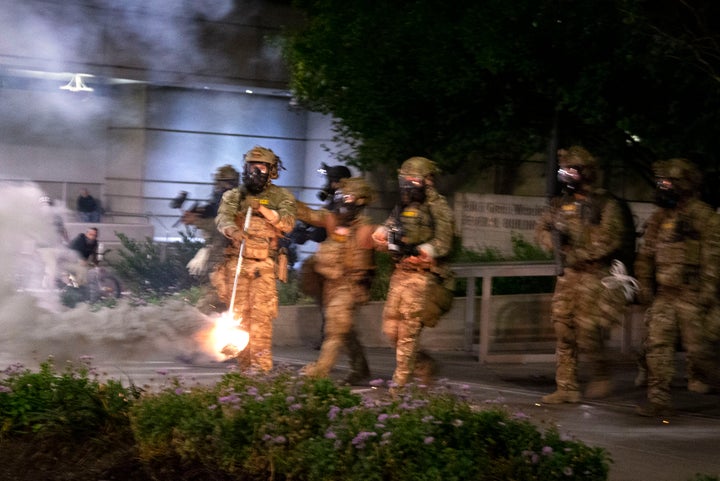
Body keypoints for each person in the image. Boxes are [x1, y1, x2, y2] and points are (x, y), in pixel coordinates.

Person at [534, 146, 631, 404]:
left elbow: (611, 238)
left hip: (594, 276)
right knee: (563, 328)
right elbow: (541, 230)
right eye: (563, 170)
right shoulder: (559, 204)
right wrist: (555, 243)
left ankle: (601, 373)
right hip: (567, 276)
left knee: (588, 331)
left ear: (586, 173)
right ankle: (566, 386)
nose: (566, 174)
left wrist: (578, 251)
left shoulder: (605, 203)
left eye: (572, 170)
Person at [633, 158, 720, 417]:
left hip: (693, 296)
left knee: (701, 351)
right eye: (661, 182)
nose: (663, 187)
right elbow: (646, 255)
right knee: (657, 345)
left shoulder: (705, 217)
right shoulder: (659, 219)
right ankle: (658, 399)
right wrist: (645, 285)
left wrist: (707, 292)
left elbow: (713, 257)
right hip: (666, 296)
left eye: (668, 182)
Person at [372, 157, 455, 393]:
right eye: (404, 179)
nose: (408, 185)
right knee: (391, 330)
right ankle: (424, 365)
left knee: (408, 331)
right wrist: (381, 236)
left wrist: (423, 250)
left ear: (428, 180)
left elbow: (444, 241)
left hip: (422, 277)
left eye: (413, 179)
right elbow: (388, 228)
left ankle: (399, 384)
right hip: (400, 274)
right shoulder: (403, 205)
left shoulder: (438, 207)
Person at [215, 146, 296, 372]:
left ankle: (260, 371)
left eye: (261, 168)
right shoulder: (234, 196)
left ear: (271, 171)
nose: (255, 172)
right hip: (238, 264)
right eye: (252, 167)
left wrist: (262, 209)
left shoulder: (282, 197)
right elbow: (223, 218)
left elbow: (287, 224)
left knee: (261, 321)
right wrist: (233, 231)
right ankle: (243, 371)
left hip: (264, 267)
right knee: (239, 319)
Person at [299, 177, 375, 385]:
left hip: (349, 286)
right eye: (340, 196)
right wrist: (285, 201)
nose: (342, 201)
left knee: (334, 329)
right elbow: (308, 214)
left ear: (360, 202)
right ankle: (361, 369)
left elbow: (364, 260)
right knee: (346, 331)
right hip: (330, 285)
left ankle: (320, 370)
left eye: (347, 197)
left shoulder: (363, 230)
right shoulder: (336, 221)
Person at [290, 163, 352, 347]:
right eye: (330, 181)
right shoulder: (334, 202)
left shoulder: (348, 202)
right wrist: (304, 230)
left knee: (334, 302)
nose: (330, 185)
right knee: (325, 299)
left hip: (343, 258)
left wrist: (311, 233)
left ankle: (334, 339)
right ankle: (330, 337)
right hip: (329, 257)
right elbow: (321, 220)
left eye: (333, 181)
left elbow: (333, 227)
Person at [181, 164, 240, 313]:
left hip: (227, 258)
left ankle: (199, 326)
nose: (219, 187)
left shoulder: (237, 204)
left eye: (223, 183)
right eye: (219, 183)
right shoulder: (224, 202)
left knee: (213, 298)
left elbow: (221, 227)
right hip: (218, 256)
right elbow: (213, 211)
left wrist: (197, 220)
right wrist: (198, 215)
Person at [37, 195, 70, 288]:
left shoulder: (39, 216)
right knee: (52, 265)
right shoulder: (55, 215)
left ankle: (48, 284)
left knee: (51, 264)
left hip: (46, 245)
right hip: (50, 245)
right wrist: (67, 242)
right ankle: (48, 284)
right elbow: (63, 230)